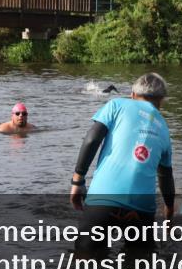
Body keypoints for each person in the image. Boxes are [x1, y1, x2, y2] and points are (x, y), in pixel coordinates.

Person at [70, 72, 175, 254]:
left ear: (133, 95)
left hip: (103, 200)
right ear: (161, 101)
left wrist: (77, 181)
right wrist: (169, 212)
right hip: (141, 210)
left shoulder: (116, 105)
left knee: (86, 264)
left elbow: (91, 140)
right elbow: (165, 177)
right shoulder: (164, 129)